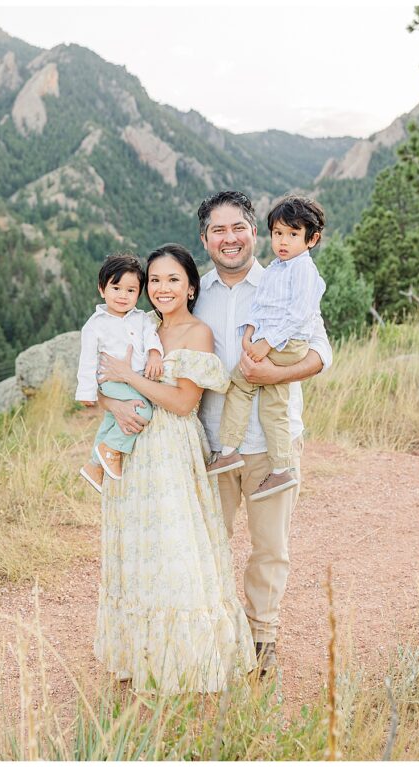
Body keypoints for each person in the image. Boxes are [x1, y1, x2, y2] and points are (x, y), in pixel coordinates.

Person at [94, 243, 256, 692]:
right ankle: (141, 654)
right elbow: (102, 380)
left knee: (175, 545)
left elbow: (184, 403)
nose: (162, 289)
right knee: (137, 546)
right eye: (156, 281)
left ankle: (189, 658)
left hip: (170, 450)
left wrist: (131, 379)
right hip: (132, 446)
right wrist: (114, 402)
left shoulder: (196, 334)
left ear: (190, 288)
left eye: (173, 280)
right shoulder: (138, 326)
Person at [207, 195, 327, 502]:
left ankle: (269, 463)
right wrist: (249, 333)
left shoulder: (303, 272)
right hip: (207, 439)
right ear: (204, 238)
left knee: (250, 388)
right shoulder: (197, 290)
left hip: (285, 347)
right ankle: (252, 458)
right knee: (265, 399)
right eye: (279, 234)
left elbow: (309, 331)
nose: (283, 241)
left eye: (292, 234)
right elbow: (260, 308)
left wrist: (270, 356)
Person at [76, 253, 163, 491]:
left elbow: (150, 336)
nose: (123, 295)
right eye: (116, 288)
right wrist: (87, 392)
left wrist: (155, 353)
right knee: (142, 410)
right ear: (102, 289)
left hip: (133, 378)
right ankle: (111, 449)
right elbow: (87, 361)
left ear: (139, 293)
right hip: (111, 380)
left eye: (131, 290)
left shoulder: (141, 319)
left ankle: (94, 465)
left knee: (111, 419)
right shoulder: (95, 325)